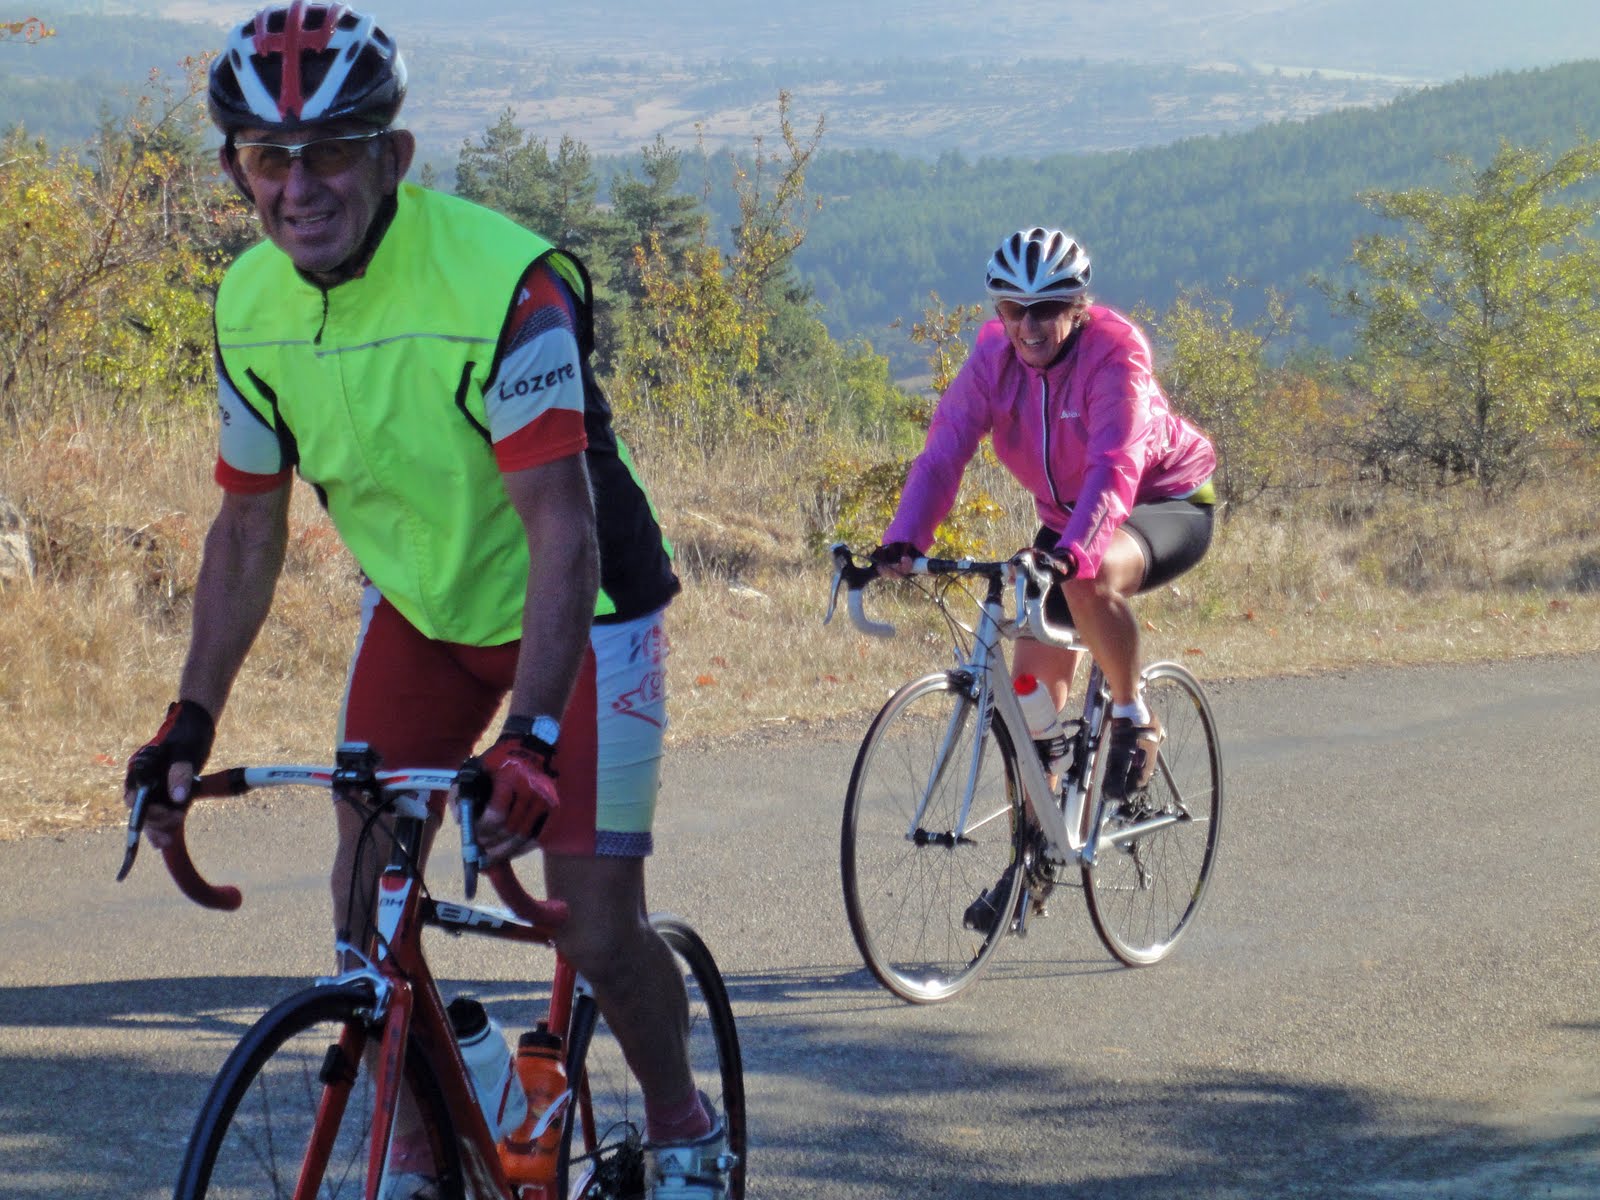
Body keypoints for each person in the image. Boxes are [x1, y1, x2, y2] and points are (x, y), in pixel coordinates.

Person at [122, 6, 727, 1197]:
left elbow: (563, 531)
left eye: (332, 151)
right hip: (428, 612)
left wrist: (532, 738)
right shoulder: (248, 304)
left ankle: (685, 1129)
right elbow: (246, 529)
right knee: (364, 906)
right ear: (236, 169)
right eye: (268, 156)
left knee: (592, 921)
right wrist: (189, 719)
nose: (299, 186)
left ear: (393, 156)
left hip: (585, 613)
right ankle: (421, 1149)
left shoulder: (504, 285)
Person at [874, 225, 1217, 935]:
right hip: (1071, 523)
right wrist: (904, 539)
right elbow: (943, 453)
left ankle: (1133, 713)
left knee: (1088, 581)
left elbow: (1115, 467)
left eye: (1048, 308)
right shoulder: (993, 360)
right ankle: (1033, 861)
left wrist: (1074, 553)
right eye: (1013, 309)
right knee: (1029, 700)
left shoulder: (1115, 355)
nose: (1028, 325)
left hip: (1163, 502)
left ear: (1078, 306)